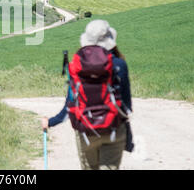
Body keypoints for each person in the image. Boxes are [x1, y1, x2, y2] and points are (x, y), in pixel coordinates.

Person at [41, 19, 133, 170]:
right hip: (114, 129)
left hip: (86, 131)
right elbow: (127, 107)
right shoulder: (119, 65)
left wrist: (50, 122)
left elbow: (69, 106)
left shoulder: (76, 66)